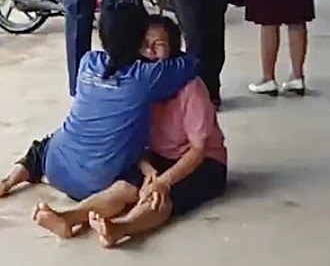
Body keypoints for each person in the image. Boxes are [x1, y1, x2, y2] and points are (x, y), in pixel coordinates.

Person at [0, 3, 200, 237]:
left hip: (55, 166)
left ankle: (5, 183)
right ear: (139, 41)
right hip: (98, 183)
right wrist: (167, 48)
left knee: (42, 147)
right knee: (134, 184)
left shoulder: (88, 62)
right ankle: (77, 217)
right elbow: (192, 63)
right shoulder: (146, 77)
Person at [89, 15, 227, 248]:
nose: (150, 51)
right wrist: (148, 168)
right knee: (123, 187)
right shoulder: (141, 84)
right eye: (144, 44)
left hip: (203, 163)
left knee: (159, 197)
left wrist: (163, 181)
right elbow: (138, 138)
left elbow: (199, 150)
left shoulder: (191, 86)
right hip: (158, 157)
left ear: (173, 48)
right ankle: (71, 216)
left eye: (159, 44)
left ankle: (120, 227)